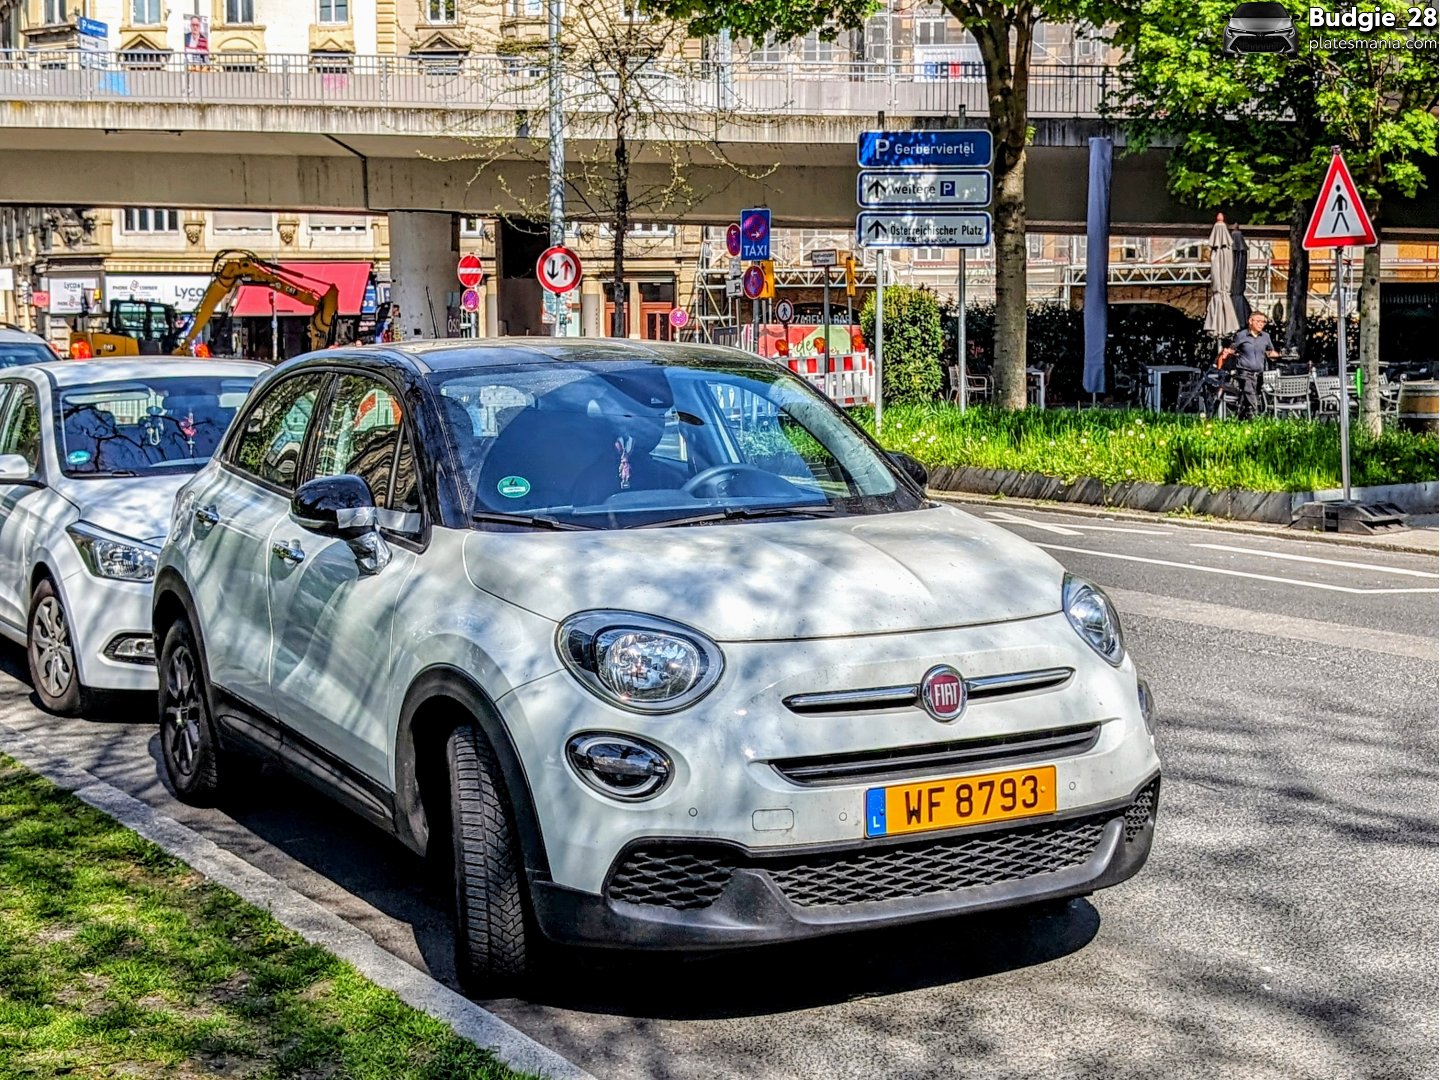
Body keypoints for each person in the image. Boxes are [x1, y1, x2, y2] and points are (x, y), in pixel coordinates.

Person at [1218, 312, 1280, 419]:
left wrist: (1280, 355)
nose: (1261, 324)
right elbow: (1232, 350)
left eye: (1263, 322)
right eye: (1259, 321)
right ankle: (1256, 417)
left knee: (1247, 398)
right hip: (1244, 372)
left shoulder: (1266, 337)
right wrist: (1226, 355)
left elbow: (1270, 352)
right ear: (1250, 321)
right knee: (1250, 394)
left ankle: (1241, 419)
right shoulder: (1241, 335)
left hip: (1259, 374)